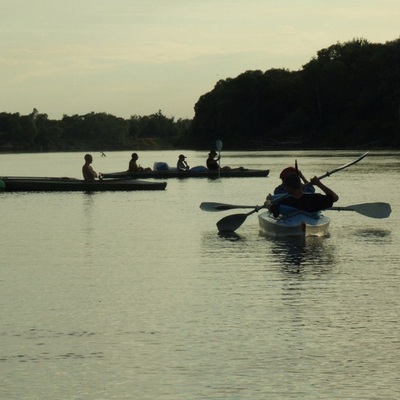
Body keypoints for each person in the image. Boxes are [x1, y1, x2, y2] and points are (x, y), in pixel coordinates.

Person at [264, 173, 339, 217]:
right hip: (311, 220)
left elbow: (272, 209)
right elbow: (335, 197)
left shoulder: (284, 202)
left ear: (287, 187)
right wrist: (318, 184)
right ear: (300, 185)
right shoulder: (316, 198)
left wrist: (267, 202)